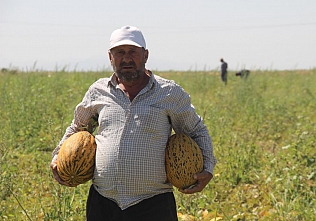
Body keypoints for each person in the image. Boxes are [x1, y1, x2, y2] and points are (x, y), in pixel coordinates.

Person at [50, 25, 216, 221]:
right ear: (110, 57)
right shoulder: (98, 91)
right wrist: (57, 157)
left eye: (133, 52)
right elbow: (78, 127)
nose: (126, 58)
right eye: (119, 52)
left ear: (145, 55)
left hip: (153, 204)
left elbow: (196, 130)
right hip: (103, 202)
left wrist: (208, 168)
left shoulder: (169, 93)